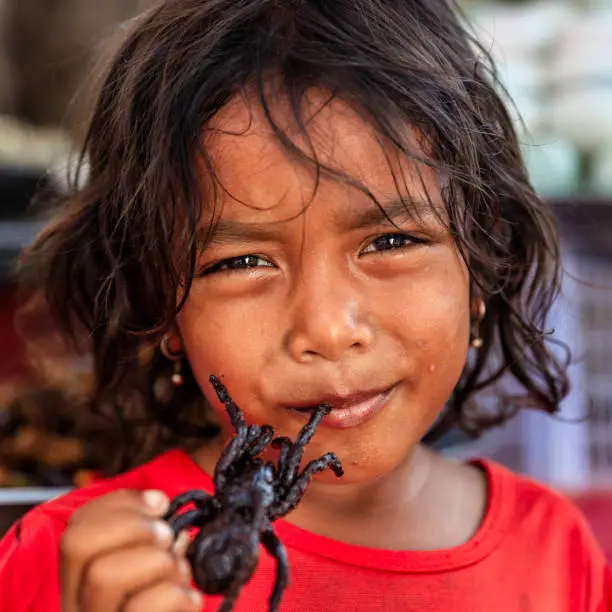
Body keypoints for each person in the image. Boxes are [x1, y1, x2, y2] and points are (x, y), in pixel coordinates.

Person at [1, 0, 610, 610]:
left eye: (391, 241)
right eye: (242, 263)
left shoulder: (559, 552)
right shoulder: (76, 567)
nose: (326, 328)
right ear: (161, 305)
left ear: (481, 262)